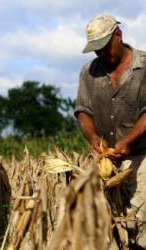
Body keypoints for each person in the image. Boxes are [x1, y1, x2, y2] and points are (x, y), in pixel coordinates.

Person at [75, 14, 146, 248]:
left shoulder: (143, 66)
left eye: (104, 48)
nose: (101, 55)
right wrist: (93, 137)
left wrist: (127, 141)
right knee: (111, 229)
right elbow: (83, 111)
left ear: (118, 35)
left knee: (141, 228)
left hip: (142, 159)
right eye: (96, 50)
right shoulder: (89, 72)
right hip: (108, 165)